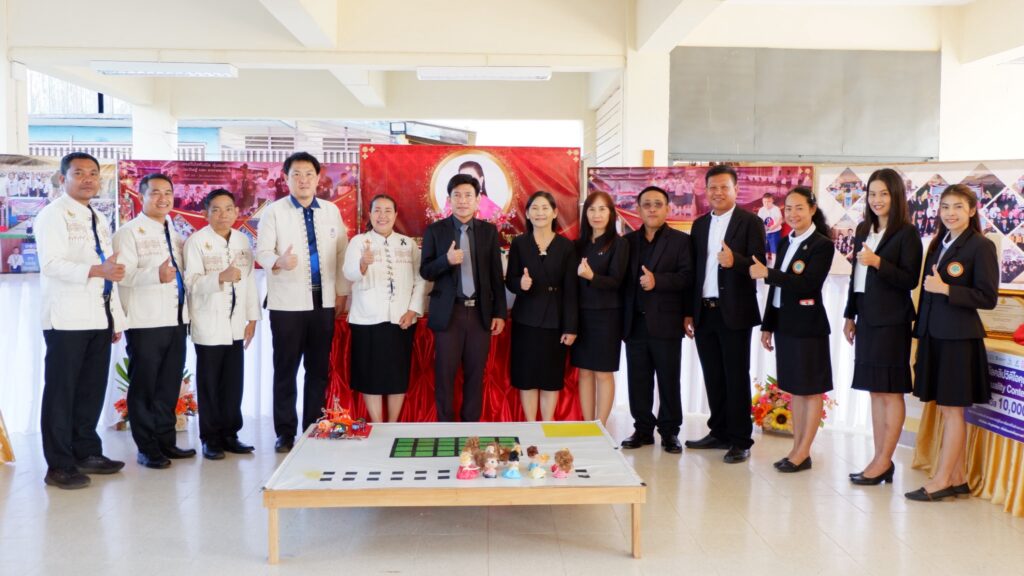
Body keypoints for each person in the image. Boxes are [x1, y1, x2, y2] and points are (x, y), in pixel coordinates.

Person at [35, 152, 127, 489]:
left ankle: (87, 452)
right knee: (62, 393)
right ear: (63, 179)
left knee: (90, 391)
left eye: (93, 173)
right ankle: (59, 465)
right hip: (66, 319)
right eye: (79, 173)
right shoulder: (52, 215)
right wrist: (96, 270)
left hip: (98, 316)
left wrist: (114, 318)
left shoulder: (98, 217)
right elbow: (51, 264)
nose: (88, 179)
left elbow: (108, 268)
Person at [906, 184, 998, 502]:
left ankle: (943, 480)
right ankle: (957, 476)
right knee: (946, 408)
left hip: (958, 339)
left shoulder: (981, 246)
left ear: (972, 210)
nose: (950, 213)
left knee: (953, 409)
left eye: (958, 206)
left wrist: (947, 289)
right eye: (945, 207)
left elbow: (988, 297)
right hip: (934, 335)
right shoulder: (938, 244)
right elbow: (926, 293)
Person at [255, 152, 350, 453]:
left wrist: (342, 292)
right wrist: (278, 261)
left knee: (318, 370)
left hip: (323, 304)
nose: (303, 179)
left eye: (309, 173)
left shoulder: (331, 211)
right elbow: (261, 252)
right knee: (285, 369)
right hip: (287, 305)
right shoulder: (274, 212)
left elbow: (342, 253)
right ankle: (285, 432)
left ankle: (313, 427)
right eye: (296, 174)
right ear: (286, 179)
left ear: (318, 178)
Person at [842, 168, 923, 486]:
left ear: (896, 196)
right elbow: (856, 276)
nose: (876, 200)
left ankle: (884, 460)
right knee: (875, 391)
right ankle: (880, 459)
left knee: (890, 391)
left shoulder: (907, 233)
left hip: (892, 320)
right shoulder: (864, 228)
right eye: (872, 194)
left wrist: (878, 262)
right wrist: (850, 314)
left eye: (884, 194)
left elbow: (909, 279)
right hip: (866, 316)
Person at [683, 165, 766, 464]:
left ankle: (741, 439)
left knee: (736, 376)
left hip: (734, 311)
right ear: (706, 191)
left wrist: (735, 261)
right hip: (704, 311)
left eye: (724, 187)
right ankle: (718, 432)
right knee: (713, 376)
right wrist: (688, 312)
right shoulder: (699, 225)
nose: (718, 193)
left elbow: (758, 264)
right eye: (713, 188)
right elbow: (694, 271)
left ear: (736, 189)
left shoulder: (751, 222)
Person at [750, 186, 834, 473]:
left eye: (799, 207)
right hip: (785, 325)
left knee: (811, 391)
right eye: (788, 208)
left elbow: (808, 284)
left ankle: (803, 451)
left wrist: (768, 273)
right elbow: (777, 289)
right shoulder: (786, 241)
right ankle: (797, 449)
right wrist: (768, 325)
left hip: (808, 327)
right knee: (796, 391)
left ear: (812, 209)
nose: (793, 213)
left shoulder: (822, 245)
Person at [114, 173, 194, 469]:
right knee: (145, 387)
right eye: (155, 193)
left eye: (168, 193)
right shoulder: (129, 233)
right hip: (145, 321)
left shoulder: (173, 229)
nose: (163, 198)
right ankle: (147, 448)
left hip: (176, 319)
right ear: (141, 196)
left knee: (168, 385)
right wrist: (154, 275)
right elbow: (121, 274)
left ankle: (166, 441)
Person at [419, 173, 507, 422]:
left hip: (480, 314)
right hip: (450, 314)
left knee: (475, 375)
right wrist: (446, 261)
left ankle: (471, 429)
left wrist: (499, 313)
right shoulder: (435, 231)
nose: (463, 200)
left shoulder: (488, 232)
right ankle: (445, 427)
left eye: (468, 195)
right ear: (449, 200)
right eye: (457, 195)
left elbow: (496, 275)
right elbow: (425, 271)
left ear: (478, 200)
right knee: (444, 375)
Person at [184, 189, 260, 460]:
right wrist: (219, 277)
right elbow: (191, 283)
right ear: (205, 213)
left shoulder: (242, 240)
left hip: (236, 323)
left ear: (237, 212)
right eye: (215, 209)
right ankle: (210, 438)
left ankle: (230, 435)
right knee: (210, 384)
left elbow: (249, 280)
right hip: (208, 323)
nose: (223, 215)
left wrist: (252, 318)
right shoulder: (196, 242)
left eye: (228, 209)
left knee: (232, 382)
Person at [620, 186, 693, 453]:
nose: (652, 209)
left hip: (666, 322)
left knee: (668, 380)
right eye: (646, 204)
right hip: (634, 323)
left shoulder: (681, 241)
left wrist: (657, 281)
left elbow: (687, 278)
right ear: (638, 209)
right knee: (638, 380)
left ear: (667, 209)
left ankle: (670, 432)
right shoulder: (627, 242)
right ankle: (642, 429)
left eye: (657, 204)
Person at [343, 194, 425, 423]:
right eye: (377, 210)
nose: (382, 216)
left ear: (396, 215)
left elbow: (421, 279)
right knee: (371, 376)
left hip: (401, 320)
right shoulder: (359, 241)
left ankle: (392, 425)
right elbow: (348, 273)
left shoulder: (408, 244)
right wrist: (362, 263)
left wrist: (412, 310)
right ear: (369, 214)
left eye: (388, 210)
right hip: (367, 319)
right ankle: (378, 425)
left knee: (397, 375)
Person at [505, 191, 578, 421]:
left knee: (550, 378)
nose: (540, 213)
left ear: (554, 213)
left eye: (545, 208)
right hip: (526, 319)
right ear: (527, 214)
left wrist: (571, 327)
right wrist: (520, 283)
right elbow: (510, 280)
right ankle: (531, 425)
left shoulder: (566, 246)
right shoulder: (519, 243)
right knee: (526, 377)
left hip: (555, 321)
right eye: (534, 208)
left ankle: (547, 425)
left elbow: (571, 290)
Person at [572, 191, 628, 427]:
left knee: (603, 372)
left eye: (602, 209)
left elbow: (616, 281)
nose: (597, 214)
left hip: (607, 317)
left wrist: (592, 277)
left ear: (611, 213)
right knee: (584, 372)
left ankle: (601, 426)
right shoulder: (578, 245)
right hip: (581, 316)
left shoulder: (619, 244)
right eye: (592, 209)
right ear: (585, 214)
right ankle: (588, 425)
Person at [758, 193, 783, 263]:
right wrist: (763, 227)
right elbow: (759, 221)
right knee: (765, 250)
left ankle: (774, 265)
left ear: (772, 201)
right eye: (765, 202)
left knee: (774, 250)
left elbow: (780, 220)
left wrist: (774, 226)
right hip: (765, 233)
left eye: (769, 201)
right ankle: (765, 264)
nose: (766, 204)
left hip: (775, 232)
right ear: (762, 201)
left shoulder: (776, 209)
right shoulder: (761, 210)